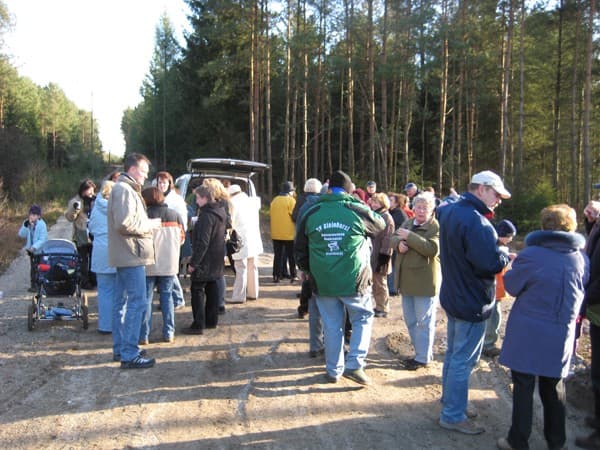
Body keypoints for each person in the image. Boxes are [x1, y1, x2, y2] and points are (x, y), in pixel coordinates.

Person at [497, 204, 588, 450]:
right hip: (560, 331)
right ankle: (557, 442)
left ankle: (517, 440)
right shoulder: (580, 258)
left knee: (524, 385)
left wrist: (513, 268)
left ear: (544, 226)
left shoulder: (533, 254)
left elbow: (512, 286)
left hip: (528, 330)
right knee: (554, 387)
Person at [437, 170, 511, 434]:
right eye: (496, 194)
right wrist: (503, 254)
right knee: (463, 359)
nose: (499, 200)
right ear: (481, 189)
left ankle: (451, 402)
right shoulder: (476, 221)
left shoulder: (450, 211)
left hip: (455, 294)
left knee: (454, 355)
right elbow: (488, 263)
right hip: (471, 298)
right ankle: (453, 414)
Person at [295, 170, 385, 385]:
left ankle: (333, 370)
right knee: (362, 317)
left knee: (331, 325)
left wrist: (308, 270)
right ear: (349, 189)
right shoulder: (354, 208)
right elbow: (379, 224)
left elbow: (299, 246)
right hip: (353, 279)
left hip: (323, 280)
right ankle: (354, 364)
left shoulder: (310, 209)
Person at [108, 153, 160, 369]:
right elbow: (125, 223)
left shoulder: (125, 189)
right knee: (137, 302)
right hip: (131, 255)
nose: (146, 176)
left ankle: (122, 349)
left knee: (121, 302)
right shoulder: (124, 190)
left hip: (127, 254)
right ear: (132, 170)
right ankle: (129, 354)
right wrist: (150, 224)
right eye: (143, 171)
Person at [390, 192, 440, 370]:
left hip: (424, 282)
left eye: (425, 207)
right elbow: (394, 237)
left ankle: (422, 358)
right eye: (418, 207)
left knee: (424, 322)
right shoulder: (408, 223)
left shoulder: (435, 227)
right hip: (406, 280)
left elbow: (431, 249)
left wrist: (409, 238)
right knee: (410, 321)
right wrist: (398, 244)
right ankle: (420, 353)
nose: (420, 211)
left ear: (431, 209)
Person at [140, 187, 185, 345]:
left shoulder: (143, 216)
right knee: (167, 298)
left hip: (148, 264)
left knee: (146, 300)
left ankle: (143, 335)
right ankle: (169, 332)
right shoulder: (175, 215)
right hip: (169, 264)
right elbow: (182, 239)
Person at [183, 184, 227, 334]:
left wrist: (193, 263)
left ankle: (198, 324)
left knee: (197, 290)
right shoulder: (220, 211)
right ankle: (211, 321)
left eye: (197, 198)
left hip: (205, 260)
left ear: (205, 198)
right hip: (217, 258)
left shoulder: (207, 215)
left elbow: (203, 241)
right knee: (212, 288)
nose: (196, 201)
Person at [575, 199, 600, 449]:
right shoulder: (598, 226)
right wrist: (591, 222)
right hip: (596, 309)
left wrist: (583, 297)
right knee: (597, 370)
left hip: (595, 301)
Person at [482, 219, 517, 358]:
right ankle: (489, 344)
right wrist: (507, 258)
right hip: (493, 289)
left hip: (496, 289)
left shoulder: (496, 246)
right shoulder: (496, 248)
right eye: (509, 236)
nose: (510, 239)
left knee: (491, 316)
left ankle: (486, 342)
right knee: (493, 316)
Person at [155, 171, 188, 310]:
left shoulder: (176, 200)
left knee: (169, 270)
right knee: (165, 270)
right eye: (159, 182)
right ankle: (170, 299)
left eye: (164, 182)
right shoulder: (158, 197)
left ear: (169, 184)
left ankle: (178, 299)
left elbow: (183, 222)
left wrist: (178, 238)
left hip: (171, 239)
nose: (161, 185)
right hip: (159, 239)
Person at [88, 181, 116, 334]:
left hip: (99, 251)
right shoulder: (116, 207)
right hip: (116, 251)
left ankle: (105, 325)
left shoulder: (95, 207)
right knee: (120, 291)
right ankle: (119, 323)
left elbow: (91, 228)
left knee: (104, 291)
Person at [227, 183, 263, 304]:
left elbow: (231, 222)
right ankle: (253, 293)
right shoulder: (253, 201)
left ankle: (238, 296)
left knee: (241, 267)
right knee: (252, 267)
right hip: (254, 237)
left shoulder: (232, 203)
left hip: (240, 240)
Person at [65, 179, 96, 289]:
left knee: (93, 257)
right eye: (89, 192)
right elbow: (69, 218)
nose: (91, 194)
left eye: (93, 192)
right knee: (83, 258)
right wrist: (75, 210)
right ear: (83, 191)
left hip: (93, 231)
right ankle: (84, 281)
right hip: (81, 232)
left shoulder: (95, 200)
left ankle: (93, 279)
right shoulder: (75, 201)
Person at [368, 192, 394, 318]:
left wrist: (383, 258)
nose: (373, 204)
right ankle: (379, 305)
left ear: (382, 204)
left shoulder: (386, 217)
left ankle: (383, 307)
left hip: (382, 255)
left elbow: (388, 239)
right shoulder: (376, 215)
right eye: (373, 202)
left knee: (381, 283)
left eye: (376, 202)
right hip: (374, 254)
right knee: (376, 283)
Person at [270, 181, 297, 283]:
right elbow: (294, 216)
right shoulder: (291, 201)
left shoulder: (275, 200)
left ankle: (276, 276)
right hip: (288, 234)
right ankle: (293, 275)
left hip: (276, 233)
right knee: (291, 256)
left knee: (277, 255)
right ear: (290, 191)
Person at [18, 204, 48, 292]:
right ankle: (33, 285)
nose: (32, 217)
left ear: (38, 216)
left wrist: (34, 247)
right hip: (32, 251)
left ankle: (41, 285)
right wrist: (25, 225)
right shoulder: (28, 223)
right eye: (31, 214)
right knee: (33, 268)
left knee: (40, 267)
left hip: (40, 250)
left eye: (34, 215)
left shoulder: (42, 225)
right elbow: (21, 234)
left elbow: (42, 239)